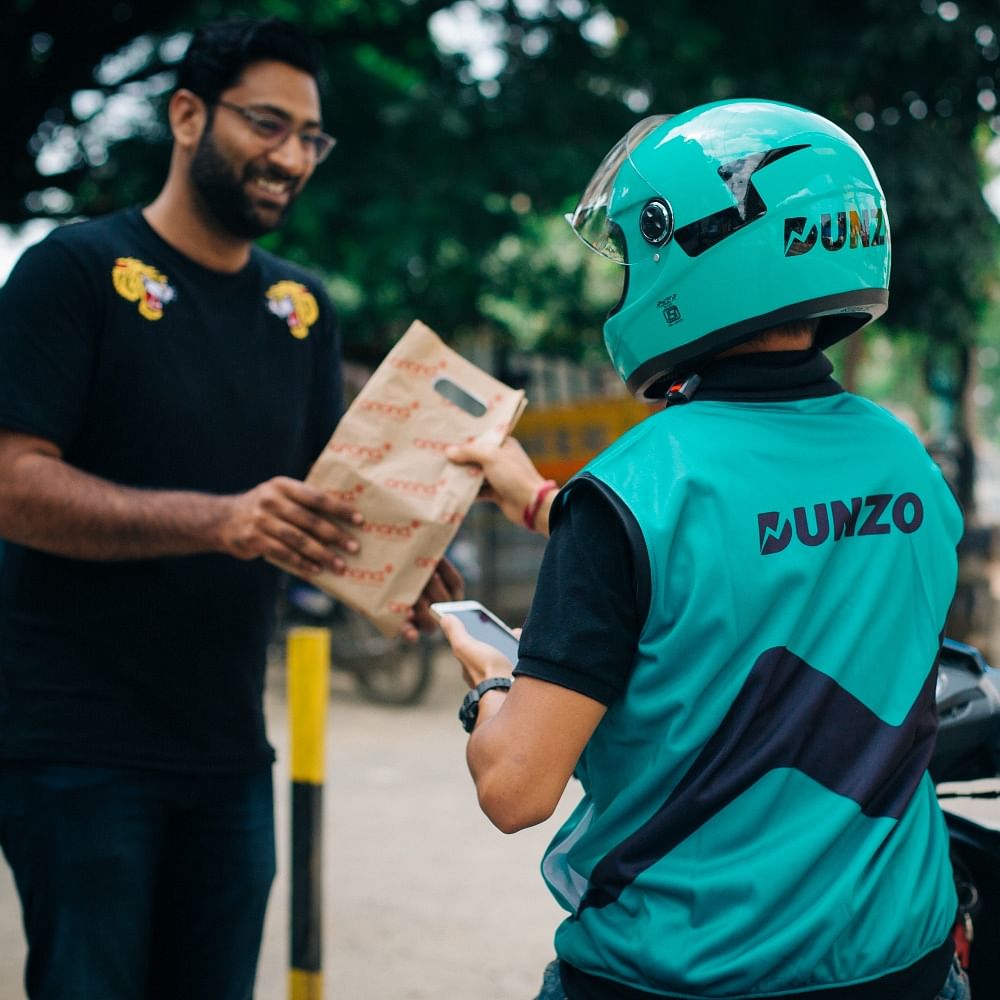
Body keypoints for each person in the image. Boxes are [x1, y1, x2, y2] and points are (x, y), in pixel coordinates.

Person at [440, 101, 971, 1000]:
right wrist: (539, 498)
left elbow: (516, 789)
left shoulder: (630, 492)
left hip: (684, 974)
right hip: (903, 964)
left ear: (686, 249)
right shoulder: (905, 460)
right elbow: (771, 563)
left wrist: (493, 684)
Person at [0, 17, 457, 1000]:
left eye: (310, 138)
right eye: (267, 124)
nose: (291, 157)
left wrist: (403, 572)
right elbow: (10, 483)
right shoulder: (72, 271)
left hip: (226, 752)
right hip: (77, 749)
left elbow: (311, 516)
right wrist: (216, 520)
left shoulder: (300, 309)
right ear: (186, 114)